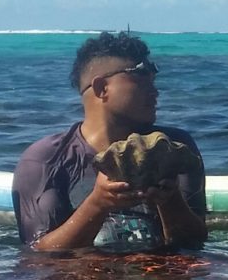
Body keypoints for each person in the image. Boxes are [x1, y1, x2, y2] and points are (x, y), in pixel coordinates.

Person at [13, 32, 206, 252]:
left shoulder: (173, 147)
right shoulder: (45, 159)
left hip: (160, 278)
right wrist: (98, 203)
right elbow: (39, 252)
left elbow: (195, 242)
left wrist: (171, 201)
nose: (155, 91)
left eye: (153, 81)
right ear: (101, 88)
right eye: (141, 78)